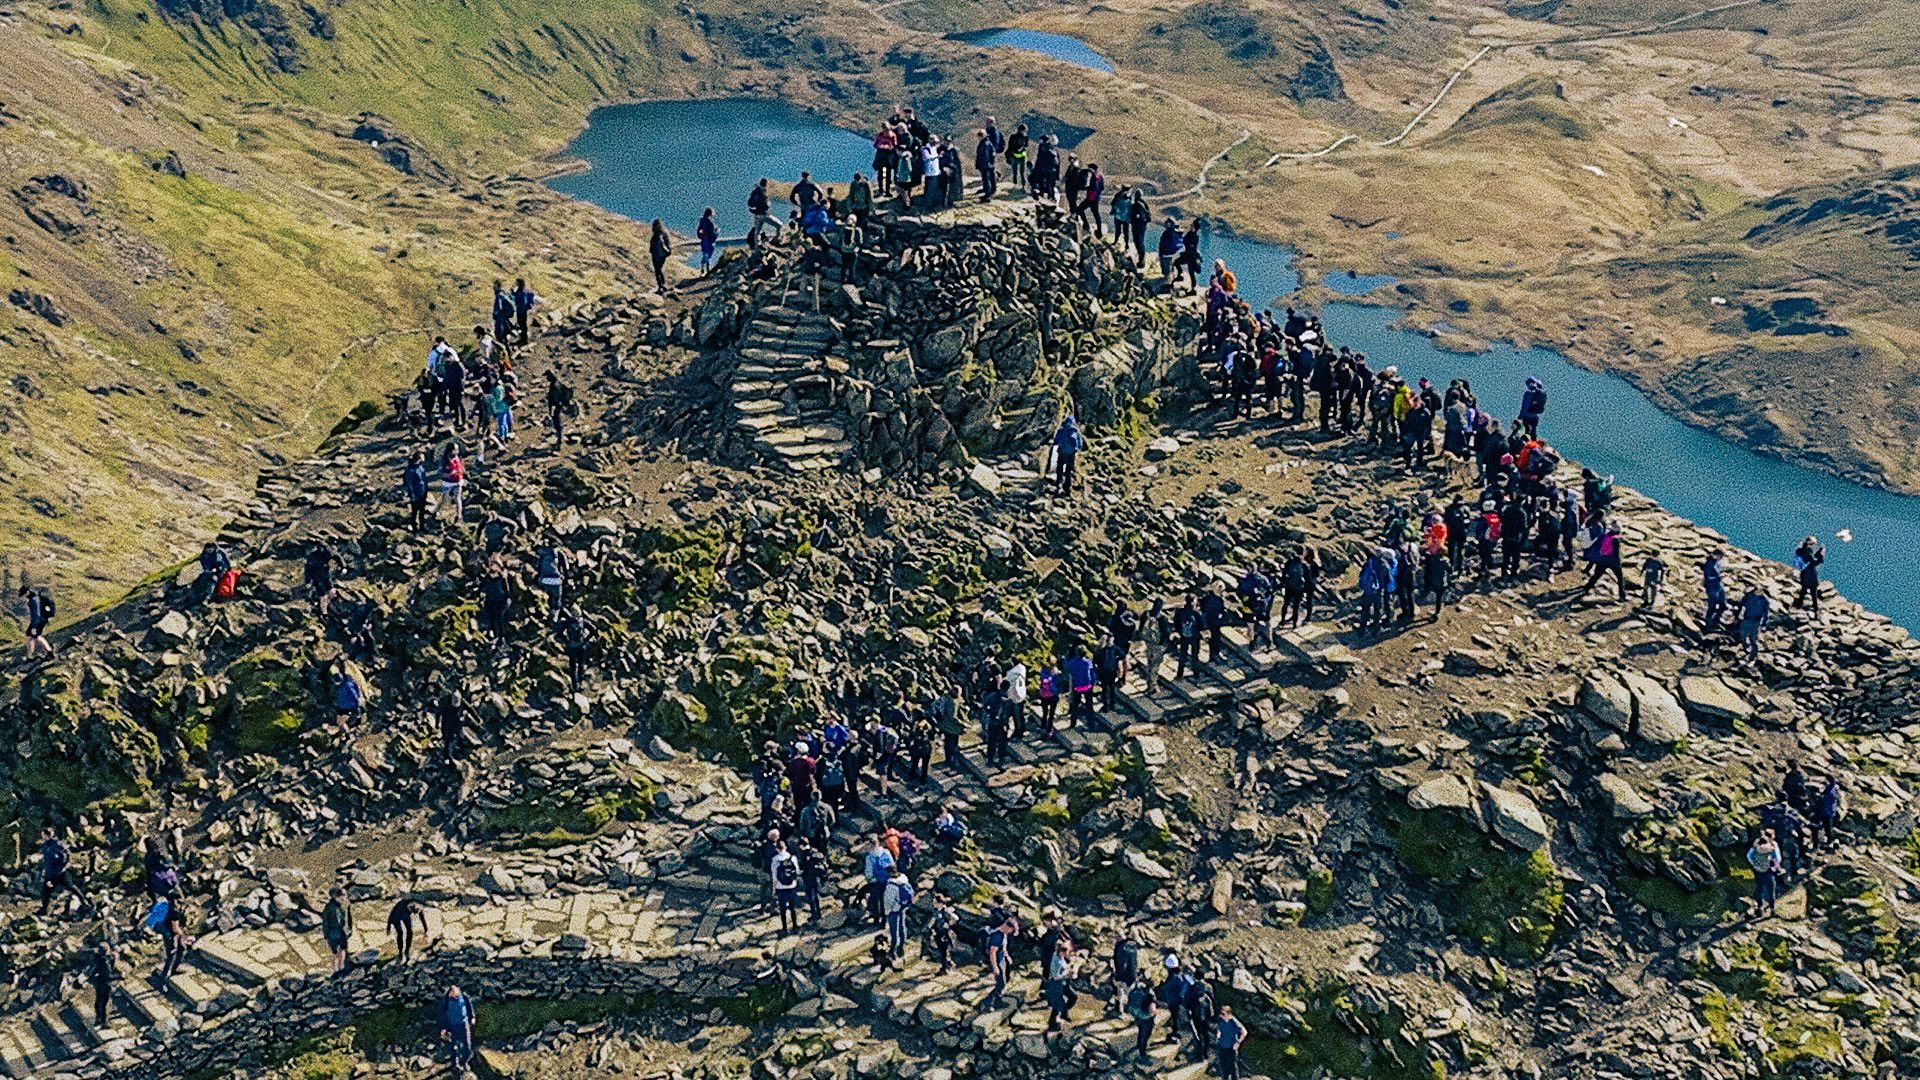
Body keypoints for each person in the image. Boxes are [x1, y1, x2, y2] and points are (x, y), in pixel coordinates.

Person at [38, 828, 89, 916]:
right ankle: (84, 902)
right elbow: (66, 853)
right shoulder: (53, 844)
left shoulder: (52, 846)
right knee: (70, 887)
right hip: (60, 872)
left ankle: (44, 910)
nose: (42, 836)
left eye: (43, 835)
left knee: (48, 891)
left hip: (55, 873)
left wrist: (49, 877)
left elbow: (50, 863)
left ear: (47, 835)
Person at [1577, 514, 1627, 601]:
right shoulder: (1616, 540)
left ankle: (1587, 587)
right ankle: (1622, 595)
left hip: (1602, 560)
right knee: (1620, 578)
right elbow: (1616, 553)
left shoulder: (1606, 535)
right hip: (1613, 562)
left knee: (1596, 575)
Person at [439, 985, 476, 1070]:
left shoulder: (464, 998)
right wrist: (444, 1028)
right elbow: (444, 1015)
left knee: (467, 1047)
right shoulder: (447, 1001)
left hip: (464, 1025)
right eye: (451, 991)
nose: (452, 992)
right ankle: (455, 1065)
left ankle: (464, 1062)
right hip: (453, 1026)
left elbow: (469, 1008)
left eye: (454, 990)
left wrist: (472, 1017)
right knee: (454, 1046)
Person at [1747, 829, 1782, 917]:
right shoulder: (1771, 848)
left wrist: (1755, 865)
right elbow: (1776, 859)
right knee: (1771, 890)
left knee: (1759, 889)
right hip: (1768, 871)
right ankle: (1772, 910)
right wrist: (1777, 868)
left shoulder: (1756, 847)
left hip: (1758, 871)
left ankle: (1759, 907)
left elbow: (1749, 856)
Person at [863, 834, 896, 923]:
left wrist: (869, 878)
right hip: (886, 881)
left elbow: (868, 871)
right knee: (884, 900)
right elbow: (892, 866)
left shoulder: (869, 857)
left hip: (875, 882)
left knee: (875, 900)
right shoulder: (885, 852)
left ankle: (876, 919)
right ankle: (885, 920)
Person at [20, 585, 59, 659]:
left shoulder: (34, 600)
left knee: (36, 636)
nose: (24, 596)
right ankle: (33, 654)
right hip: (39, 620)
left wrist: (34, 626)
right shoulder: (35, 598)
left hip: (37, 621)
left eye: (24, 594)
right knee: (31, 635)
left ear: (27, 592)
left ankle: (47, 652)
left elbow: (37, 614)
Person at [1051, 415, 1086, 497]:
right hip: (1071, 453)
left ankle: (1059, 483)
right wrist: (1077, 449)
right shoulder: (1075, 431)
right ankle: (1067, 487)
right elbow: (1080, 444)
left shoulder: (1062, 430)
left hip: (1062, 452)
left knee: (1060, 467)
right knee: (1068, 470)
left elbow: (1056, 440)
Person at [388, 895, 430, 964]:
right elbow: (392, 914)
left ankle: (407, 951)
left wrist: (426, 930)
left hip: (406, 916)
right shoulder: (401, 906)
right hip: (397, 916)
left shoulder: (417, 906)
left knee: (410, 932)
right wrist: (388, 927)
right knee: (400, 933)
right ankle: (400, 951)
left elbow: (422, 918)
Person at [882, 871, 914, 961]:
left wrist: (886, 912)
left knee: (894, 931)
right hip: (902, 908)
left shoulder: (891, 886)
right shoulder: (905, 882)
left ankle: (892, 951)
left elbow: (888, 901)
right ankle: (901, 948)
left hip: (893, 911)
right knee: (902, 928)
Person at [984, 913, 1014, 1009]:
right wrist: (995, 967)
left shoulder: (1003, 934)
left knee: (1004, 981)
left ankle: (996, 1000)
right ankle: (989, 1002)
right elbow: (992, 952)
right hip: (997, 961)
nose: (1010, 932)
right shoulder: (998, 935)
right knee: (1001, 982)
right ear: (1006, 926)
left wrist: (1007, 956)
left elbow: (1004, 948)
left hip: (1002, 959)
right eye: (1010, 930)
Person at [771, 840, 801, 933]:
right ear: (786, 847)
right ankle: (795, 926)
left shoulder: (775, 859)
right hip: (792, 886)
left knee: (782, 909)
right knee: (792, 908)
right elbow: (797, 871)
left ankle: (784, 928)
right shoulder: (793, 858)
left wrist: (774, 888)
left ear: (777, 849)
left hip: (780, 887)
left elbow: (774, 875)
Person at [304, 543, 341, 619]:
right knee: (323, 595)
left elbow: (336, 556)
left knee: (329, 592)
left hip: (323, 576)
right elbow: (308, 571)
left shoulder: (324, 554)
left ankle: (330, 608)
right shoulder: (313, 559)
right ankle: (324, 613)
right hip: (319, 577)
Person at [1126, 973, 1158, 1058]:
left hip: (1138, 1016)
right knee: (1145, 1034)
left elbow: (1129, 1003)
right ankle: (1142, 1054)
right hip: (1146, 1017)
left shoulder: (1134, 990)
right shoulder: (1149, 994)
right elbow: (1153, 1010)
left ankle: (1140, 1046)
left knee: (1141, 1033)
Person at [322, 886, 354, 974]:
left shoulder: (346, 905)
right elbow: (325, 921)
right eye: (341, 896)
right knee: (334, 951)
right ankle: (335, 969)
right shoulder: (329, 907)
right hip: (333, 933)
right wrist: (326, 933)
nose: (343, 898)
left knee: (343, 949)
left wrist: (350, 929)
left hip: (343, 932)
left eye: (344, 896)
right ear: (335, 897)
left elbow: (349, 918)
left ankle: (341, 966)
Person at [87, 941, 119, 1028]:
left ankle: (99, 1019)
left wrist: (92, 977)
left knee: (99, 1002)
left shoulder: (100, 959)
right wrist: (119, 977)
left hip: (100, 983)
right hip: (104, 983)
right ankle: (103, 1021)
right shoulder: (104, 961)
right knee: (104, 1003)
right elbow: (107, 975)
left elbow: (96, 969)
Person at [159, 897, 192, 978]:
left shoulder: (168, 910)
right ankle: (166, 974)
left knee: (180, 951)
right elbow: (175, 928)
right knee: (172, 955)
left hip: (168, 935)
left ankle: (173, 970)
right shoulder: (175, 913)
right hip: (172, 937)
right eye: (179, 902)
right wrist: (184, 936)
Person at [1792, 535, 1825, 616]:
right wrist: (1821, 555)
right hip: (1810, 573)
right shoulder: (1807, 551)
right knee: (1813, 592)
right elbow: (1814, 562)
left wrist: (1818, 553)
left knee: (1804, 590)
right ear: (1809, 543)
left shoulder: (1801, 550)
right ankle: (1815, 609)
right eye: (1813, 543)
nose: (1814, 546)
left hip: (1804, 573)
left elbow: (1811, 559)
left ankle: (1799, 606)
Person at [1737, 583, 1771, 661]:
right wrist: (1739, 614)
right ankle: (1746, 650)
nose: (1761, 592)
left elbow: (1765, 613)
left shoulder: (1764, 600)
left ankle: (1753, 654)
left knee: (1753, 638)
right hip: (1746, 619)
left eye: (1762, 590)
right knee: (1743, 636)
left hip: (1756, 621)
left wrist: (1764, 624)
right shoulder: (1749, 596)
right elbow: (1741, 605)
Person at [926, 891, 957, 973]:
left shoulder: (945, 911)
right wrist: (929, 927)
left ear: (940, 903)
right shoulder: (936, 911)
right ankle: (948, 964)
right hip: (938, 933)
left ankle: (944, 968)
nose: (933, 904)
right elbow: (933, 921)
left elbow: (955, 918)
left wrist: (949, 924)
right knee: (942, 951)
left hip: (944, 934)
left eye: (935, 902)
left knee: (944, 951)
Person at [1216, 1004, 1247, 1080]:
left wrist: (1238, 1043)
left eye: (1223, 1014)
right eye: (1220, 1013)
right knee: (1224, 1068)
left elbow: (1244, 1032)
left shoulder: (1234, 1022)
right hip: (1222, 1047)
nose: (1221, 1015)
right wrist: (1218, 1034)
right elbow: (1219, 1029)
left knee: (1233, 1070)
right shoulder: (1220, 1020)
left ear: (1229, 1014)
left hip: (1231, 1048)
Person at [1812, 776, 1844, 849]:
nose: (1825, 782)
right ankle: (1829, 842)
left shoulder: (1829, 790)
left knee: (1818, 827)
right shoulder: (1834, 789)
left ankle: (1818, 844)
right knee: (1828, 829)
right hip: (1830, 812)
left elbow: (1824, 800)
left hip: (1825, 812)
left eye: (1826, 780)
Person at [402, 451, 431, 533]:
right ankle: (413, 526)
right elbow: (409, 484)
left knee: (422, 510)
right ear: (418, 458)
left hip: (423, 492)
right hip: (416, 493)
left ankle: (422, 526)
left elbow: (424, 478)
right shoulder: (410, 470)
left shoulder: (420, 466)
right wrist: (412, 495)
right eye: (422, 456)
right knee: (415, 511)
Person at [1702, 549, 1728, 634]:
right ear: (1715, 555)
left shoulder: (1716, 563)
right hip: (1712, 587)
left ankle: (1716, 622)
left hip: (1718, 586)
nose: (1720, 558)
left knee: (1722, 605)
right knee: (1712, 606)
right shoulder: (1709, 564)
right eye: (1720, 556)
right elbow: (1708, 578)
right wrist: (1719, 577)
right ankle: (1708, 626)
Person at [545, 372, 575, 445]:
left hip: (556, 406)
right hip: (557, 406)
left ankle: (559, 440)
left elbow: (554, 398)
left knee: (557, 422)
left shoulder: (555, 385)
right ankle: (559, 438)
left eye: (548, 376)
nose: (547, 378)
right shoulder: (557, 383)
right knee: (557, 421)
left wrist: (553, 406)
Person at [334, 663, 364, 735]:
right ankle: (343, 727)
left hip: (347, 706)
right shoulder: (347, 684)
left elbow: (355, 695)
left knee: (341, 716)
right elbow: (356, 694)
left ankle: (343, 727)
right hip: (345, 705)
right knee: (341, 715)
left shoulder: (348, 685)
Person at [746, 178, 777, 242]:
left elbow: (750, 203)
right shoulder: (760, 192)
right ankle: (755, 242)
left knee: (757, 228)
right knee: (758, 229)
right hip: (761, 213)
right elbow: (761, 203)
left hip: (758, 213)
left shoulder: (758, 191)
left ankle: (755, 242)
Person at [510, 278, 538, 345]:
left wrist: (512, 292)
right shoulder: (522, 290)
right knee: (522, 324)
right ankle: (523, 339)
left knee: (522, 324)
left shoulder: (522, 291)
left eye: (517, 282)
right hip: (521, 309)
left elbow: (517, 297)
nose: (516, 283)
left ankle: (524, 340)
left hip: (521, 309)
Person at [695, 207, 719, 274]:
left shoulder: (702, 221)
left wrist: (701, 236)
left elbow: (700, 230)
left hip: (703, 240)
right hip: (709, 240)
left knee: (704, 253)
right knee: (709, 254)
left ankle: (702, 268)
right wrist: (716, 232)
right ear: (711, 213)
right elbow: (712, 232)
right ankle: (708, 266)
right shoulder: (710, 222)